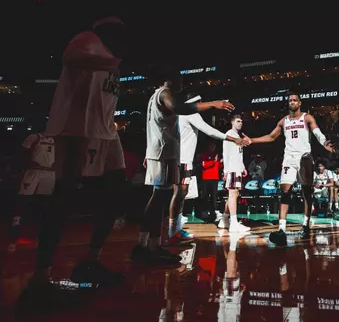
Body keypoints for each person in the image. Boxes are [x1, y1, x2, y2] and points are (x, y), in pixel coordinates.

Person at [20, 18, 131, 306]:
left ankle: (91, 261)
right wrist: (109, 62)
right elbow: (69, 57)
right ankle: (39, 279)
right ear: (106, 30)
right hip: (74, 131)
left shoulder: (109, 53)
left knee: (116, 194)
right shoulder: (88, 39)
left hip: (105, 133)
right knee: (61, 201)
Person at [132, 65, 237, 264]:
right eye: (178, 78)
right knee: (160, 200)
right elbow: (180, 108)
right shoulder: (164, 94)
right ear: (169, 79)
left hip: (166, 154)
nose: (182, 82)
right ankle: (146, 245)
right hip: (164, 153)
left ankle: (152, 244)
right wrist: (212, 104)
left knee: (161, 199)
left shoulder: (159, 97)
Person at [243, 91, 334, 246]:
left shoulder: (307, 117)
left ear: (300, 103)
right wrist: (252, 140)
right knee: (284, 191)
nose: (292, 102)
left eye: (295, 100)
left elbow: (317, 132)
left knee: (307, 192)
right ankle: (281, 229)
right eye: (290, 100)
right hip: (289, 159)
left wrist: (324, 142)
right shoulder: (283, 121)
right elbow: (271, 137)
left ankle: (305, 224)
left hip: (305, 158)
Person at [177, 95, 243, 239]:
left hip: (176, 158)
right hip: (183, 160)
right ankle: (174, 227)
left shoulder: (178, 113)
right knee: (180, 194)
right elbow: (209, 130)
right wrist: (232, 138)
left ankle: (174, 227)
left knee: (177, 193)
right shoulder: (190, 113)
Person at [8, 125, 55, 253]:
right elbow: (22, 153)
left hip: (49, 173)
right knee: (23, 199)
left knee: (44, 202)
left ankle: (40, 233)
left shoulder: (57, 140)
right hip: (33, 171)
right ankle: (15, 226)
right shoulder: (34, 137)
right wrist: (23, 166)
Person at [219, 114, 251, 232]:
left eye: (241, 121)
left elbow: (238, 154)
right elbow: (226, 154)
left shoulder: (237, 136)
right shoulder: (229, 135)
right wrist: (226, 171)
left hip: (237, 168)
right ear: (232, 122)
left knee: (233, 195)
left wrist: (243, 167)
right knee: (233, 194)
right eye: (238, 121)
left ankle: (224, 219)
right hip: (231, 169)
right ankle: (234, 223)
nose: (240, 123)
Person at [198, 141, 222, 222]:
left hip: (215, 179)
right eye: (212, 146)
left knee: (214, 196)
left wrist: (220, 162)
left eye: (214, 146)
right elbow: (204, 165)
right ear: (209, 146)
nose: (213, 148)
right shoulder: (205, 154)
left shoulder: (216, 155)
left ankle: (213, 212)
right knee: (205, 196)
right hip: (206, 178)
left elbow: (218, 166)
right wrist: (213, 161)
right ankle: (204, 212)